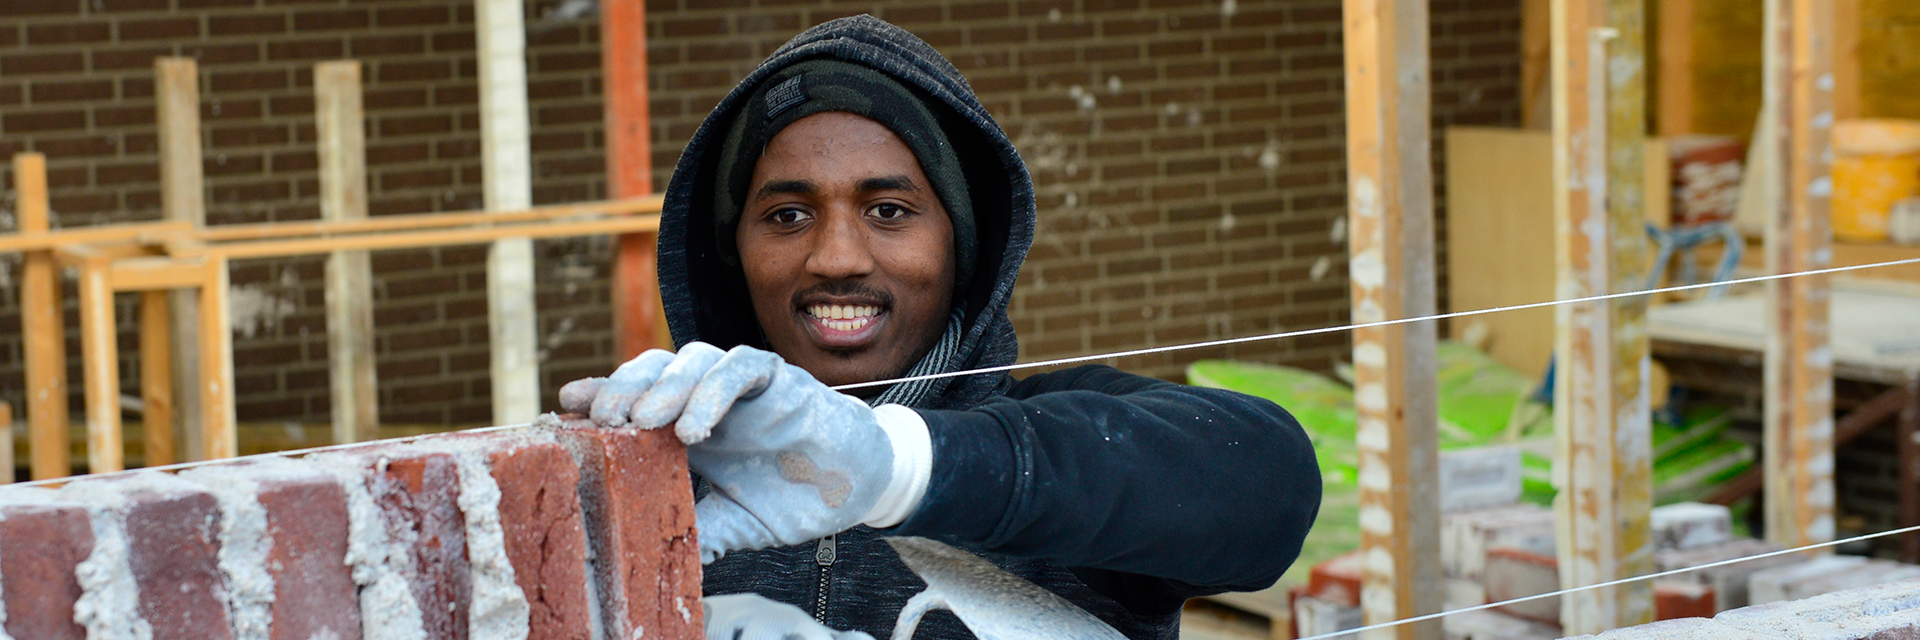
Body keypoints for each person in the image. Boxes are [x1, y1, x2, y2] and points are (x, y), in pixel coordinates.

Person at [559, 15, 1321, 640]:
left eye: (889, 211)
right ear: (733, 256)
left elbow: (1272, 489)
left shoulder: (1060, 444)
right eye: (786, 215)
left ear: (964, 245)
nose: (835, 257)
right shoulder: (659, 482)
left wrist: (901, 469)